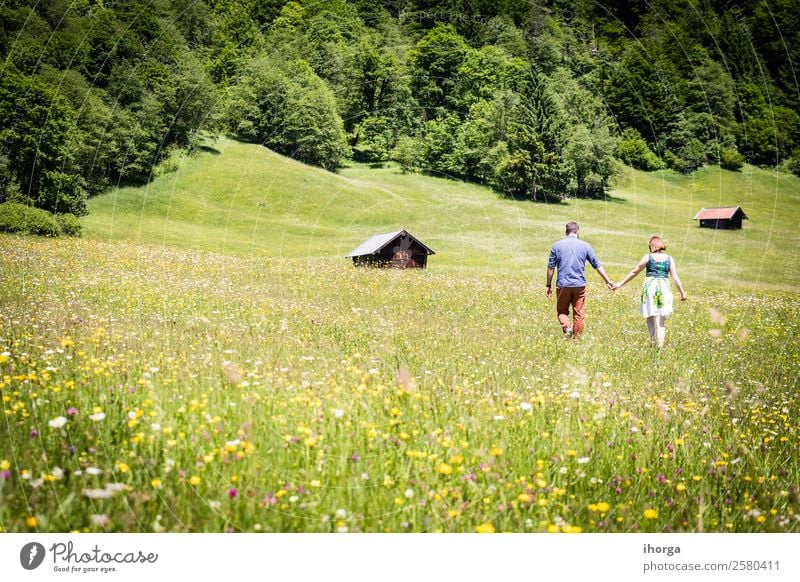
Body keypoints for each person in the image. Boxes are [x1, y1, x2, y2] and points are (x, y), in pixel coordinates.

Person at [614, 236, 687, 349]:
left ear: (652, 246)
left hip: (650, 287)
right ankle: (660, 347)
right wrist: (682, 292)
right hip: (664, 288)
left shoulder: (648, 257)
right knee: (661, 322)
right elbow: (675, 277)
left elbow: (635, 271)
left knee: (650, 315)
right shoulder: (669, 258)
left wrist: (620, 283)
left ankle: (652, 341)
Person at [546, 221, 615, 338]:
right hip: (579, 285)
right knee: (579, 314)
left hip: (563, 285)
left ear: (566, 232)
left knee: (562, 311)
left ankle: (567, 327)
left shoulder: (557, 245)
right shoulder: (585, 246)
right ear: (577, 232)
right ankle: (576, 340)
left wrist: (548, 285)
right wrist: (607, 280)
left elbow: (551, 267)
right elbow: (597, 265)